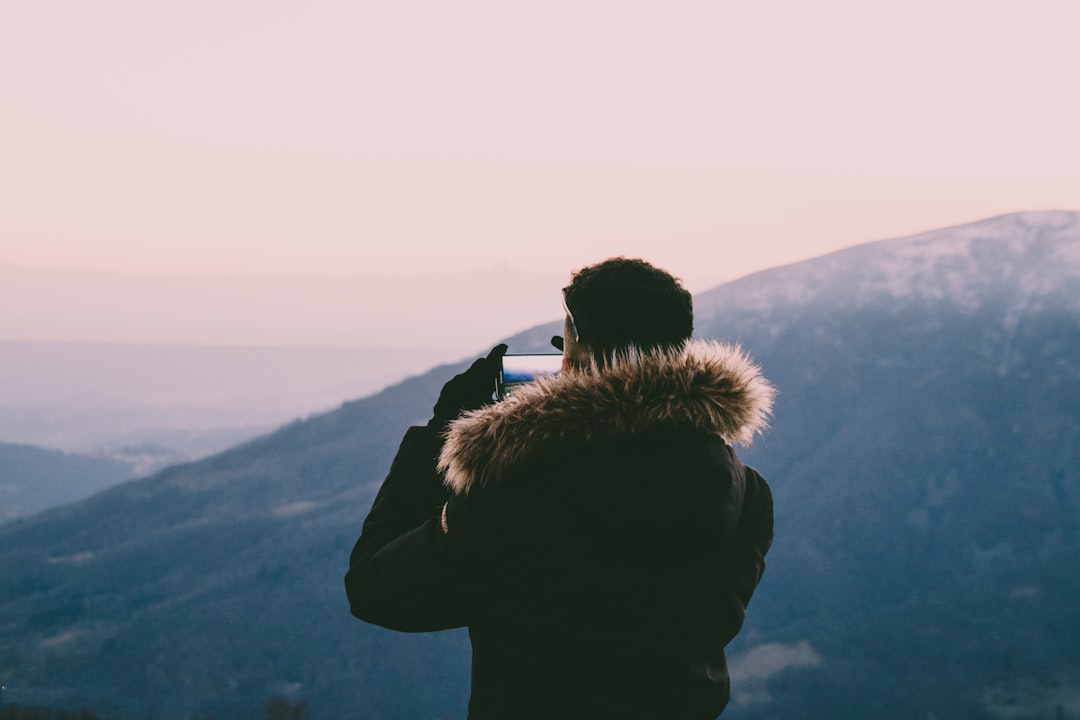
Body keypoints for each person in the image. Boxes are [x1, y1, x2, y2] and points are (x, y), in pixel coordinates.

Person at [345, 257, 775, 719]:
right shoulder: (746, 495)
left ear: (578, 357)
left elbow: (376, 588)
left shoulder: (522, 494)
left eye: (564, 343)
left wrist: (437, 438)